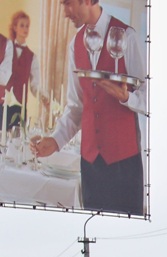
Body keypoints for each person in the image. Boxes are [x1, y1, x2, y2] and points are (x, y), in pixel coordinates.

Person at [30, 0, 146, 215]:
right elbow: (76, 107)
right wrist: (55, 141)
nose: (64, 13)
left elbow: (150, 95)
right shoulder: (75, 44)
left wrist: (127, 97)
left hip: (124, 162)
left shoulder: (127, 36)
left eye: (67, 4)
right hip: (91, 163)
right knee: (94, 230)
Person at [0, 11, 46, 129]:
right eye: (22, 25)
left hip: (19, 108)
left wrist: (43, 96)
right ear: (14, 27)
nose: (25, 29)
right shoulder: (5, 48)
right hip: (1, 104)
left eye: (27, 26)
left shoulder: (32, 57)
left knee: (16, 142)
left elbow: (35, 85)